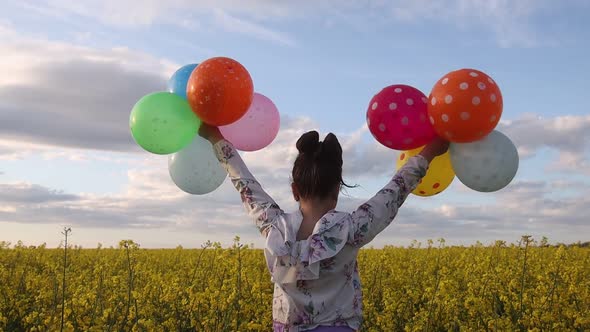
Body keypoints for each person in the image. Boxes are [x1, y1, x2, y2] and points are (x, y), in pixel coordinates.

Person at [200, 125, 449, 332]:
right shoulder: (352, 229)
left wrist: (215, 137)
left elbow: (244, 182)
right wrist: (430, 151)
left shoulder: (273, 226)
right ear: (337, 191)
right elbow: (395, 190)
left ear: (295, 191)